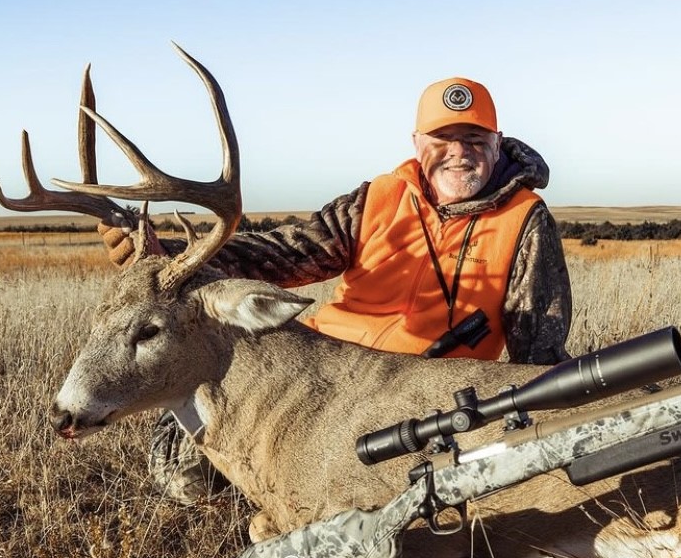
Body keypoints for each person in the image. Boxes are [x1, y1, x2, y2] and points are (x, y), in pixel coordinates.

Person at [97, 76, 572, 501]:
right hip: (320, 377)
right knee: (181, 473)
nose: (459, 152)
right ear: (417, 142)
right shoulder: (377, 198)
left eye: (474, 139)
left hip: (418, 400)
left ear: (497, 142)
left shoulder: (525, 221)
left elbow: (538, 357)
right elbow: (284, 255)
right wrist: (172, 257)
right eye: (442, 139)